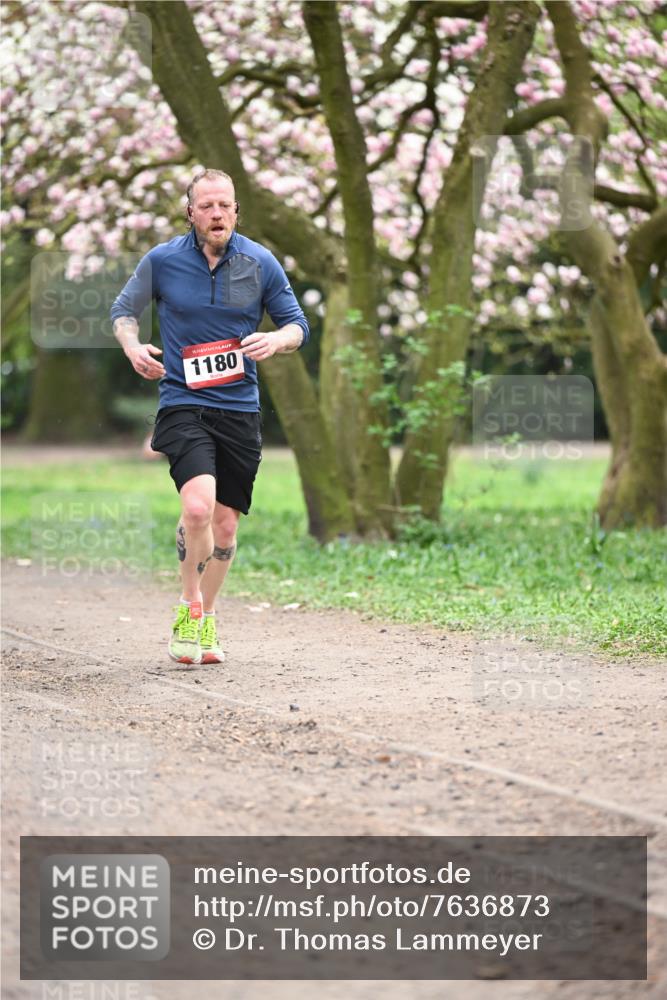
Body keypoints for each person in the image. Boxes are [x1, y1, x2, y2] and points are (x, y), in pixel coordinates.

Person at [111, 168, 309, 664]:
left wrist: (276, 340)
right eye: (207, 206)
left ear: (236, 210)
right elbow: (123, 311)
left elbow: (297, 324)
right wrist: (133, 346)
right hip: (182, 402)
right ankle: (189, 607)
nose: (216, 213)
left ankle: (208, 617)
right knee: (197, 508)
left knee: (224, 528)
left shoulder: (260, 262)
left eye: (225, 205)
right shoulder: (162, 261)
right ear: (191, 212)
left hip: (239, 408)